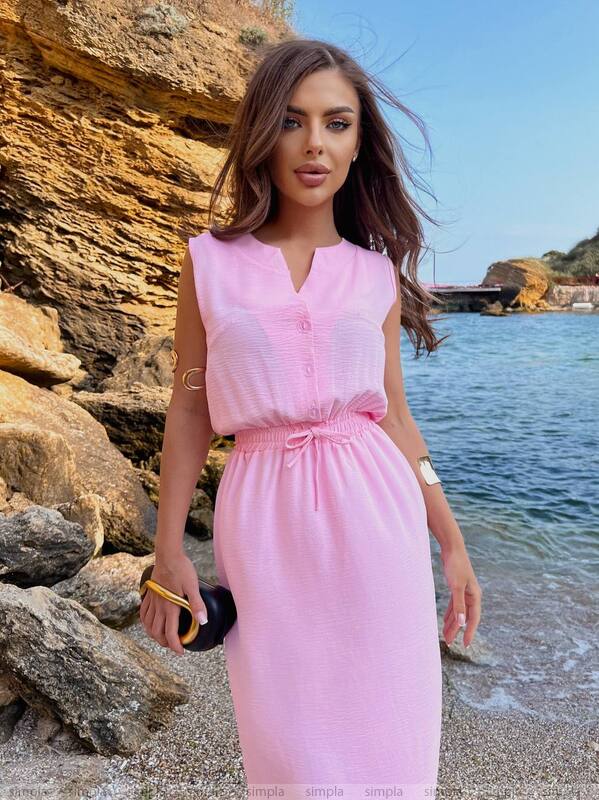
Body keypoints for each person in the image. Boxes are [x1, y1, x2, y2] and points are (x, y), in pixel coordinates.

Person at [140, 37, 482, 800]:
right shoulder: (210, 261)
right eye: (293, 121)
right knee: (289, 754)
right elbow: (191, 404)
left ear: (360, 143)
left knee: (390, 745)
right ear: (263, 130)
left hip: (377, 518)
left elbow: (394, 417)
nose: (314, 144)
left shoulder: (373, 274)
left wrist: (451, 540)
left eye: (337, 123)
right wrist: (168, 551)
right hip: (262, 517)